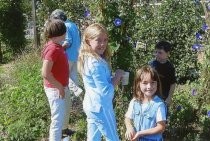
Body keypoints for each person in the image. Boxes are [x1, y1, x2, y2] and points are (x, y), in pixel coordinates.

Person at [78, 23, 124, 141]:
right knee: (113, 138)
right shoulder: (95, 63)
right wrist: (117, 77)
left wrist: (111, 78)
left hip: (92, 106)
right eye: (98, 40)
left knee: (93, 138)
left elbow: (98, 83)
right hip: (101, 107)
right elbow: (105, 91)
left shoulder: (89, 58)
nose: (103, 44)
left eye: (105, 40)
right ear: (88, 41)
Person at [41, 19, 74, 141]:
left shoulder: (55, 46)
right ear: (63, 33)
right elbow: (45, 72)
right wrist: (59, 87)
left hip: (59, 86)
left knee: (61, 115)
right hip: (55, 89)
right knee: (57, 119)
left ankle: (60, 137)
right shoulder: (53, 49)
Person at [125, 66, 166, 141]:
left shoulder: (159, 104)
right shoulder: (134, 102)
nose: (149, 86)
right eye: (145, 83)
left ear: (157, 84)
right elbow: (127, 118)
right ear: (138, 84)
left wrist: (140, 133)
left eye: (153, 82)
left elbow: (161, 127)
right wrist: (129, 127)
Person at [50, 9, 82, 96]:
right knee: (74, 76)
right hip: (76, 54)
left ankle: (75, 90)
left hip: (68, 55)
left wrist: (59, 49)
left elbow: (68, 42)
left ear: (59, 18)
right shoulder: (73, 24)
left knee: (64, 75)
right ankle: (75, 96)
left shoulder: (65, 26)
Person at [149, 41, 176, 105]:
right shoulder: (152, 64)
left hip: (164, 98)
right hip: (151, 95)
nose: (157, 54)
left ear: (168, 53)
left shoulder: (170, 68)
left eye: (160, 53)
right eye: (156, 52)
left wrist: (169, 97)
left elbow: (173, 84)